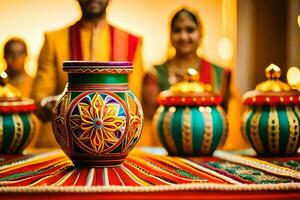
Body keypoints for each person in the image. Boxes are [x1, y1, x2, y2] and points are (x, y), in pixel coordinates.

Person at [31, 0, 143, 147]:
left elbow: (134, 103)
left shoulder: (131, 42)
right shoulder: (54, 40)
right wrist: (47, 104)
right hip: (60, 145)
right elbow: (40, 98)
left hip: (115, 144)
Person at [142, 8, 231, 145]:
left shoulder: (219, 73)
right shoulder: (154, 74)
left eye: (190, 30)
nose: (183, 36)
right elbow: (149, 120)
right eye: (177, 30)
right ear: (170, 35)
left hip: (210, 149)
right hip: (164, 149)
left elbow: (224, 118)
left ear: (201, 33)